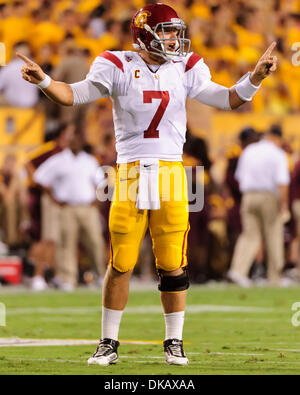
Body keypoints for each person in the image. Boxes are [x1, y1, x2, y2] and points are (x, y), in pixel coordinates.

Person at [17, 3, 278, 366]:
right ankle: (108, 341)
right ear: (145, 33)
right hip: (129, 172)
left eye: (175, 31)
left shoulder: (185, 67)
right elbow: (73, 94)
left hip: (172, 170)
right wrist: (44, 80)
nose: (174, 38)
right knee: (120, 261)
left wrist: (256, 77)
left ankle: (174, 341)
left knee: (173, 261)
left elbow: (228, 99)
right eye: (168, 31)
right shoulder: (116, 64)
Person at [33, 132, 106, 291]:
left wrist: (96, 199)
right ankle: (67, 278)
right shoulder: (58, 160)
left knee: (95, 242)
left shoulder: (89, 160)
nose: (75, 143)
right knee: (66, 244)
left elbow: (100, 182)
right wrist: (53, 197)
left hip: (87, 207)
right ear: (67, 142)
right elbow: (39, 177)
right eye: (72, 140)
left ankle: (99, 275)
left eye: (77, 139)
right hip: (67, 207)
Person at [228, 125, 290, 287]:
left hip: (248, 196)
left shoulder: (249, 151)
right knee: (273, 235)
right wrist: (283, 205)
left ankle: (238, 271)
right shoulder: (277, 153)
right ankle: (275, 277)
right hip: (269, 195)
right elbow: (282, 183)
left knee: (249, 235)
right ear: (277, 138)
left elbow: (239, 177)